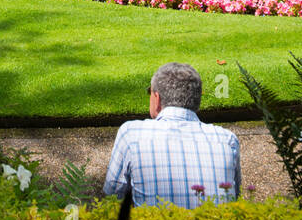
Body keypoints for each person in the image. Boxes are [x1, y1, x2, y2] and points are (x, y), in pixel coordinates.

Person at [103, 63, 241, 208]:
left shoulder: (131, 134)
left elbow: (112, 196)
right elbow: (235, 196)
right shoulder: (227, 139)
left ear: (157, 98)